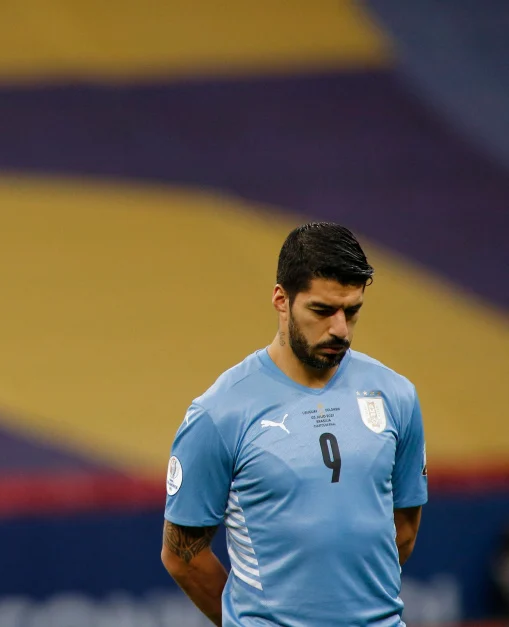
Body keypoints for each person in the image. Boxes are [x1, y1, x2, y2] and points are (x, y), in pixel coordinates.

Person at [161, 222, 426, 626]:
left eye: (351, 311)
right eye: (321, 311)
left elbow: (403, 529)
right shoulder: (219, 412)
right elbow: (182, 555)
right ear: (281, 300)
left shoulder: (396, 396)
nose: (340, 328)